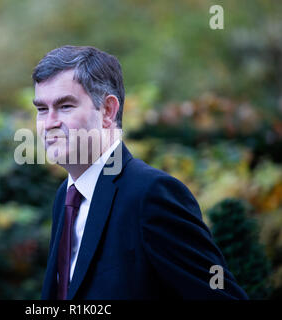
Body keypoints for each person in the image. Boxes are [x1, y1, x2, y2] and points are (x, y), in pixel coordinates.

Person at [32, 45, 248, 300]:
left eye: (65, 106)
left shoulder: (152, 195)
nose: (49, 123)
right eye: (42, 109)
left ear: (108, 111)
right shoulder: (65, 198)